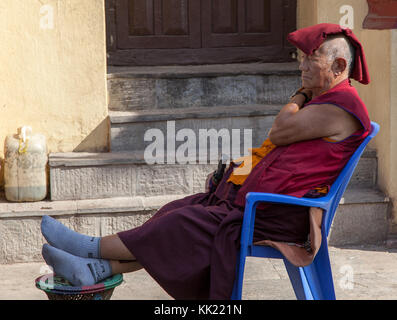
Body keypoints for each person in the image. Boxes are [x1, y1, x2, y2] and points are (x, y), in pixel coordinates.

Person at [40, 23, 371, 300]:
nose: (302, 67)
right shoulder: (327, 100)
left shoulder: (339, 106)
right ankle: (95, 269)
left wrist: (299, 94)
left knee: (180, 225)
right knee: (175, 212)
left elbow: (279, 131)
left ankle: (90, 249)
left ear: (339, 66)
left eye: (310, 60)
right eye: (301, 60)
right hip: (266, 206)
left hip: (277, 214)